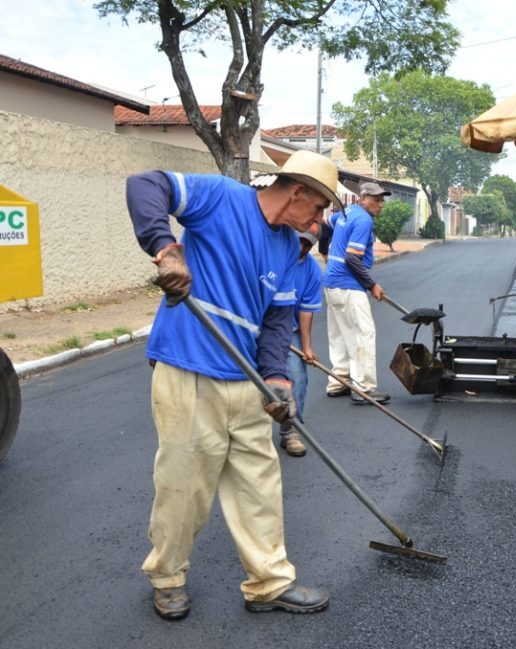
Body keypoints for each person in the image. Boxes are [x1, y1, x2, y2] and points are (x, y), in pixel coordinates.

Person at [126, 149, 337, 620]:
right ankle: (167, 578)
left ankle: (269, 583)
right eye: (320, 207)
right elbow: (145, 184)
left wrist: (278, 379)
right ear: (298, 191)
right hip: (188, 367)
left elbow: (279, 318)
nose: (318, 219)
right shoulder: (221, 197)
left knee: (259, 485)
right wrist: (166, 249)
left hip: (246, 380)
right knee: (185, 486)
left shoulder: (287, 247)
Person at [321, 181, 391, 404]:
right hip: (349, 285)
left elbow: (324, 225)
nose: (380, 204)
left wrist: (324, 253)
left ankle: (338, 381)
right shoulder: (363, 220)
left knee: (340, 334)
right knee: (363, 333)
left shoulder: (347, 212)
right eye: (376, 200)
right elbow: (352, 257)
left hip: (332, 283)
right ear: (363, 198)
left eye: (382, 200)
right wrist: (371, 285)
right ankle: (364, 388)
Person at [278, 226, 324, 457]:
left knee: (297, 378)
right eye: (300, 241)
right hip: (258, 329)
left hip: (291, 331)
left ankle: (291, 432)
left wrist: (306, 347)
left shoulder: (313, 271)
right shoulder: (272, 257)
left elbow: (306, 311)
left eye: (308, 244)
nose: (302, 247)